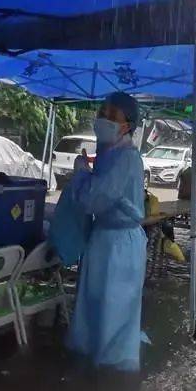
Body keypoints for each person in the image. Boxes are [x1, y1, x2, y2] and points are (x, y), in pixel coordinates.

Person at [64, 91, 147, 372]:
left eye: (112, 116)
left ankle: (112, 373)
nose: (103, 119)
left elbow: (95, 198)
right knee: (96, 302)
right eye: (102, 113)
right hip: (105, 237)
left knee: (114, 307)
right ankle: (93, 360)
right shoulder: (109, 153)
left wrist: (81, 174)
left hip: (120, 242)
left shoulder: (126, 158)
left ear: (128, 125)